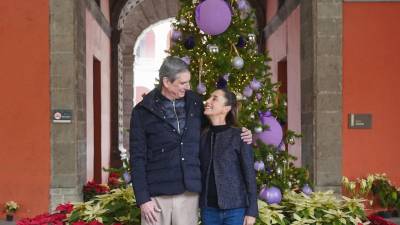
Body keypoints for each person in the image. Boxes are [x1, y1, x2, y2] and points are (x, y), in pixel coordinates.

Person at [129, 56, 252, 225]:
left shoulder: (195, 103)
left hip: (189, 194)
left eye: (188, 82)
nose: (187, 87)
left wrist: (242, 131)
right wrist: (143, 199)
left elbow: (218, 124)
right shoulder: (142, 112)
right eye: (182, 83)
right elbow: (137, 157)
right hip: (155, 195)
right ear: (166, 81)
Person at [199, 88, 258, 225]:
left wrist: (252, 211)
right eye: (209, 97)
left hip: (236, 210)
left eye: (214, 98)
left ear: (226, 108)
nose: (207, 101)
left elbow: (249, 175)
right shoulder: (202, 136)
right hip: (208, 210)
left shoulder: (240, 136)